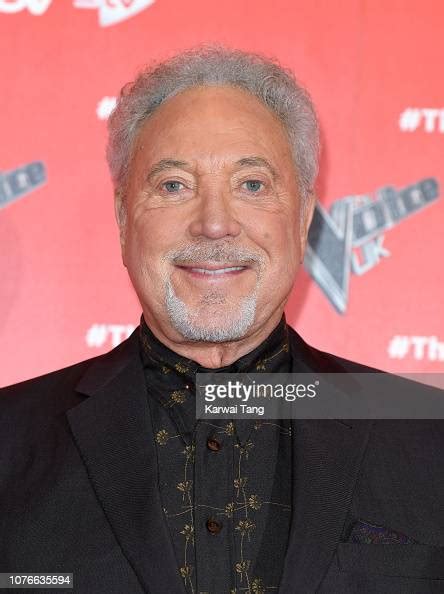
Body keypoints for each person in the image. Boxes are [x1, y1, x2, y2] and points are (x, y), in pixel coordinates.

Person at [1, 45, 443, 594]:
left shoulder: (426, 431)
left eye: (252, 185)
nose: (214, 225)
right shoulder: (11, 439)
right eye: (174, 186)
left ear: (303, 218)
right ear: (122, 219)